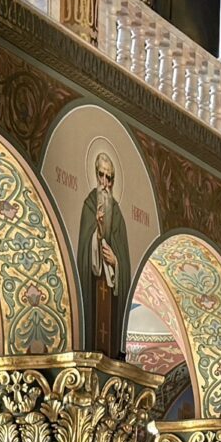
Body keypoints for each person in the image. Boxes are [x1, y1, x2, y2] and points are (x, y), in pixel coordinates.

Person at [74, 151, 130, 358]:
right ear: (96, 174)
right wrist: (96, 233)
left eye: (110, 177)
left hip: (110, 289)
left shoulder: (117, 213)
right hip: (93, 284)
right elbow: (83, 249)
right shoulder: (89, 204)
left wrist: (116, 262)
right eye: (101, 175)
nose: (105, 182)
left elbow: (124, 259)